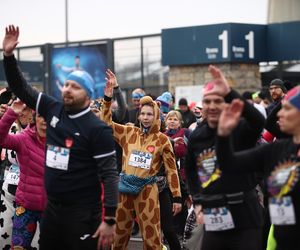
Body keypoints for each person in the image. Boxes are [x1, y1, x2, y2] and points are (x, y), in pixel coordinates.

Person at [2, 25, 119, 250]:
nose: (67, 89)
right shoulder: (52, 108)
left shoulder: (98, 129)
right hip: (52, 210)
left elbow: (110, 175)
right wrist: (8, 55)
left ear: (88, 93)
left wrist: (110, 219)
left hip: (83, 213)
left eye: (75, 87)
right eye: (66, 84)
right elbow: (21, 87)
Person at [185, 65, 265, 250]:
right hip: (215, 213)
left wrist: (229, 92)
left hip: (245, 215)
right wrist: (198, 202)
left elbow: (259, 122)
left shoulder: (239, 128)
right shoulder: (197, 136)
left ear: (226, 103)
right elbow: (190, 170)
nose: (212, 106)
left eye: (218, 101)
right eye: (207, 101)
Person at [101, 73, 182, 250]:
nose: (145, 117)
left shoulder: (162, 140)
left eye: (149, 114)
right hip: (124, 190)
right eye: (143, 114)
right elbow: (106, 123)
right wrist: (108, 97)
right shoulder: (128, 133)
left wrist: (177, 196)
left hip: (148, 192)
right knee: (119, 238)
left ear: (156, 117)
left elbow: (171, 170)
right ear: (138, 116)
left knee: (152, 239)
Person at [216, 85, 300, 250]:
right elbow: (229, 163)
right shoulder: (277, 149)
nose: (280, 114)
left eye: (287, 109)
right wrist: (224, 135)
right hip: (280, 237)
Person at [0, 99, 46, 249]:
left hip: (51, 210)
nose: (44, 120)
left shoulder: (63, 141)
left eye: (48, 116)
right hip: (25, 207)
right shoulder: (24, 138)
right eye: (40, 116)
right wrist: (10, 113)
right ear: (35, 117)